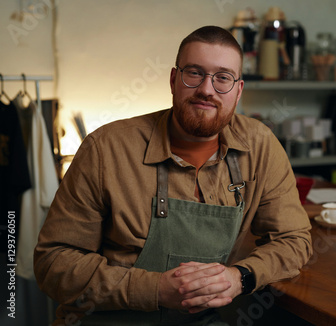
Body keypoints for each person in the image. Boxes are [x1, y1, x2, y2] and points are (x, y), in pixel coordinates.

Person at [34, 25, 312, 325]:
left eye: (223, 78)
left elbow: (294, 240)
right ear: (173, 79)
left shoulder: (260, 145)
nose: (207, 89)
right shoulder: (106, 149)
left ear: (238, 90)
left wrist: (240, 278)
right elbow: (54, 263)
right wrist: (153, 290)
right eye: (194, 73)